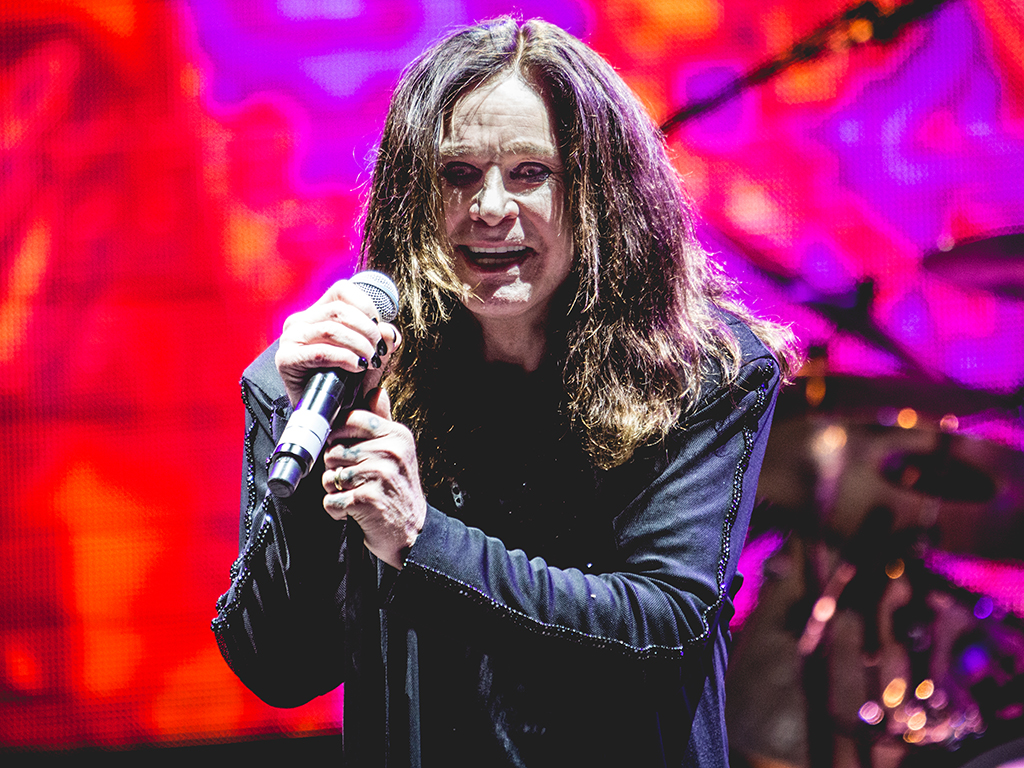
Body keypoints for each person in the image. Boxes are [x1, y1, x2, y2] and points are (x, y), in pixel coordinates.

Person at [212, 16, 799, 768]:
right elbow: (282, 667)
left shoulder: (701, 372)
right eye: (458, 175)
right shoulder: (341, 376)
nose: (489, 208)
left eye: (530, 173)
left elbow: (660, 627)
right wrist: (300, 422)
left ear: (602, 196)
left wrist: (423, 539)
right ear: (413, 198)